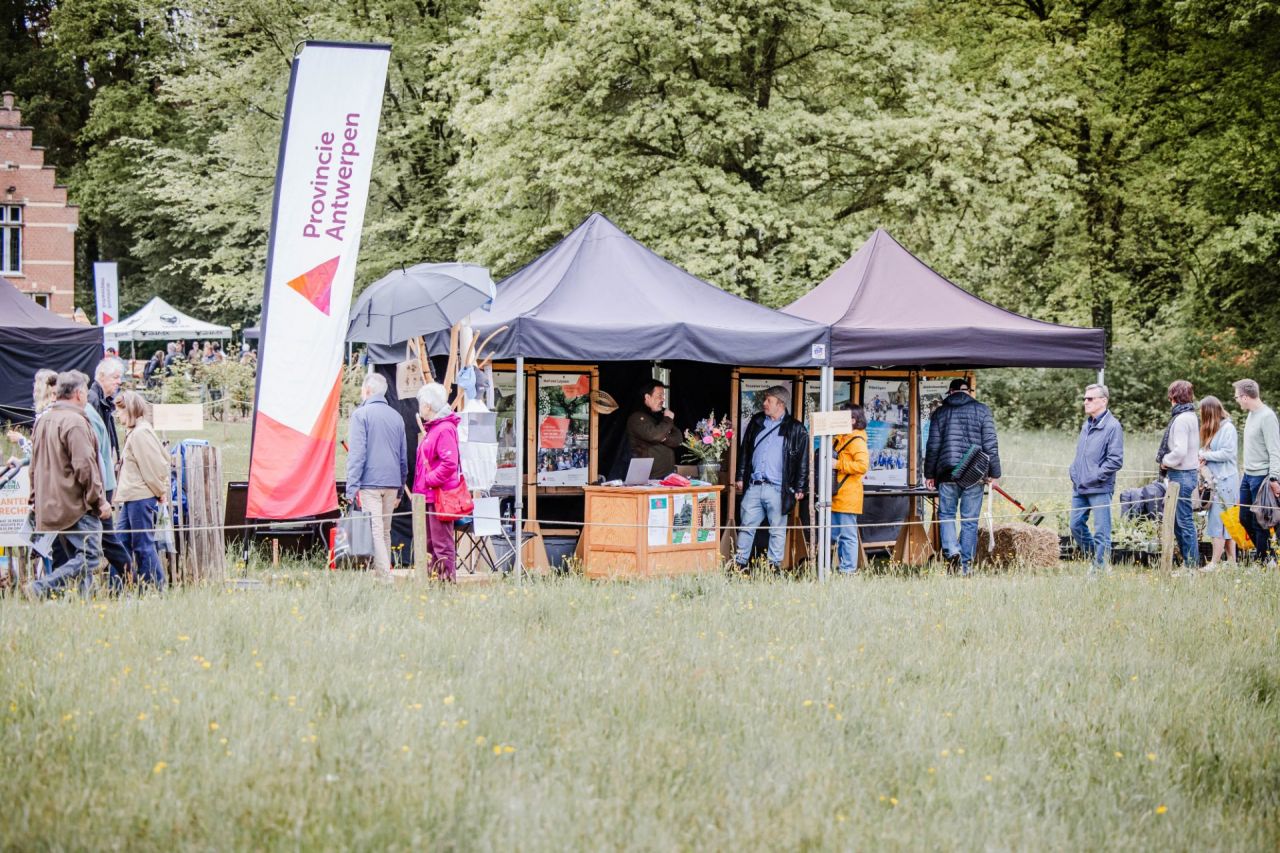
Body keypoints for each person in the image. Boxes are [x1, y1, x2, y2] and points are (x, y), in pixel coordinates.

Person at [25, 372, 111, 599]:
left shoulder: (44, 420)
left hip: (52, 503)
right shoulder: (74, 422)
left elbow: (33, 466)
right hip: (75, 505)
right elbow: (85, 467)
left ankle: (85, 607)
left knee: (78, 556)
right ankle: (41, 587)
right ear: (79, 393)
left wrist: (35, 499)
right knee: (91, 557)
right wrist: (99, 501)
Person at [924, 378, 1002, 575]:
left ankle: (953, 551)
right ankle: (965, 566)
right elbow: (990, 444)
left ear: (950, 392)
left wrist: (929, 474)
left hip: (946, 473)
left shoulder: (940, 412)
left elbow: (932, 446)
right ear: (969, 391)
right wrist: (994, 473)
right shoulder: (982, 410)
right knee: (969, 520)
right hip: (974, 474)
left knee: (947, 515)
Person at [733, 385, 809, 572]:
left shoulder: (796, 428)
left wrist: (800, 487)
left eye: (769, 400)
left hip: (778, 488)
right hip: (755, 485)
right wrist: (740, 475)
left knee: (777, 530)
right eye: (765, 399)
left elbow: (803, 460)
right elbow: (745, 450)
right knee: (746, 527)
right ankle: (739, 564)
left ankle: (773, 568)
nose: (764, 403)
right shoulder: (757, 421)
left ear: (780, 404)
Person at [345, 373, 408, 582]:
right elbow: (402, 456)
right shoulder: (396, 416)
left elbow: (357, 454)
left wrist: (351, 488)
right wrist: (400, 488)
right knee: (385, 531)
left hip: (370, 482)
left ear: (367, 390)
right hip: (392, 482)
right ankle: (384, 572)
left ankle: (385, 578)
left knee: (376, 531)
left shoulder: (360, 415)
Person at [83, 358, 133, 587]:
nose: (118, 382)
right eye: (115, 377)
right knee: (105, 536)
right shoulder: (93, 401)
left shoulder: (100, 400)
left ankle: (129, 576)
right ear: (101, 376)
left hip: (103, 480)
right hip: (101, 478)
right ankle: (128, 576)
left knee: (106, 535)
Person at [114, 391, 170, 589]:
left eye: (120, 411)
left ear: (129, 410)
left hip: (141, 496)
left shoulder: (140, 433)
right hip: (131, 496)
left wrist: (160, 491)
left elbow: (152, 466)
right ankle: (119, 586)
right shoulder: (135, 432)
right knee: (120, 542)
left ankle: (155, 586)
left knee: (143, 545)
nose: (117, 415)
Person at [1068, 383, 1125, 572]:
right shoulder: (1087, 424)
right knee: (1075, 525)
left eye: (1090, 398)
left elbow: (1115, 460)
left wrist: (1094, 476)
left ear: (1103, 401)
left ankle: (1100, 568)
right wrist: (1074, 471)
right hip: (1080, 486)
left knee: (1102, 531)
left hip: (1100, 487)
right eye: (1085, 398)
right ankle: (1096, 559)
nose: (1085, 402)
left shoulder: (1113, 426)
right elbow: (1081, 454)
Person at [413, 382, 461, 582]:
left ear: (427, 405)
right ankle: (433, 582)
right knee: (431, 543)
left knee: (442, 544)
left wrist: (429, 480)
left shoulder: (443, 429)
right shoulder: (435, 429)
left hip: (438, 495)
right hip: (429, 495)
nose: (419, 407)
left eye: (421, 403)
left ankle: (446, 585)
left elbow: (450, 463)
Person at [1233, 379, 1280, 566]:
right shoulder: (1251, 415)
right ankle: (1268, 555)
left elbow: (1275, 450)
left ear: (1245, 397)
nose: (1236, 400)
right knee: (1244, 517)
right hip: (1248, 475)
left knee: (1261, 521)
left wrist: (1274, 477)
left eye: (1237, 397)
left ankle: (1264, 560)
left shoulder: (1267, 417)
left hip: (1262, 476)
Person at [1158, 380, 1200, 570]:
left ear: (1173, 397)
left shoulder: (1182, 419)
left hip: (1181, 474)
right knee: (1178, 520)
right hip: (1186, 473)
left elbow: (1180, 451)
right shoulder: (1190, 415)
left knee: (1183, 522)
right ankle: (1188, 562)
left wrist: (1165, 460)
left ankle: (1191, 566)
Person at [1198, 395, 1238, 570]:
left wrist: (1204, 455)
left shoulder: (1228, 429)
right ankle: (1232, 563)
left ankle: (1214, 563)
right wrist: (1202, 454)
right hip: (1216, 481)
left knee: (1220, 521)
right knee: (1226, 521)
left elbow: (1227, 453)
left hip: (1226, 481)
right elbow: (1210, 450)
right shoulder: (1215, 429)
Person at [832, 403, 869, 575]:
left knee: (847, 535)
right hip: (836, 493)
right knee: (836, 535)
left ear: (853, 420)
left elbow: (862, 466)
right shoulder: (840, 437)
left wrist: (838, 464)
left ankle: (848, 570)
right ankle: (842, 567)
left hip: (848, 495)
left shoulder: (857, 440)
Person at [626, 379, 682, 478]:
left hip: (667, 475)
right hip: (646, 476)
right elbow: (655, 435)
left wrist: (664, 437)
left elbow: (678, 439)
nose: (663, 399)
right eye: (659, 395)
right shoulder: (637, 417)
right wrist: (668, 420)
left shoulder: (662, 417)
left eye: (663, 396)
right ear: (647, 397)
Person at [6, 369, 58, 468]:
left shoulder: (46, 417)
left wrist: (20, 439)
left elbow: (38, 454)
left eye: (36, 384)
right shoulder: (57, 412)